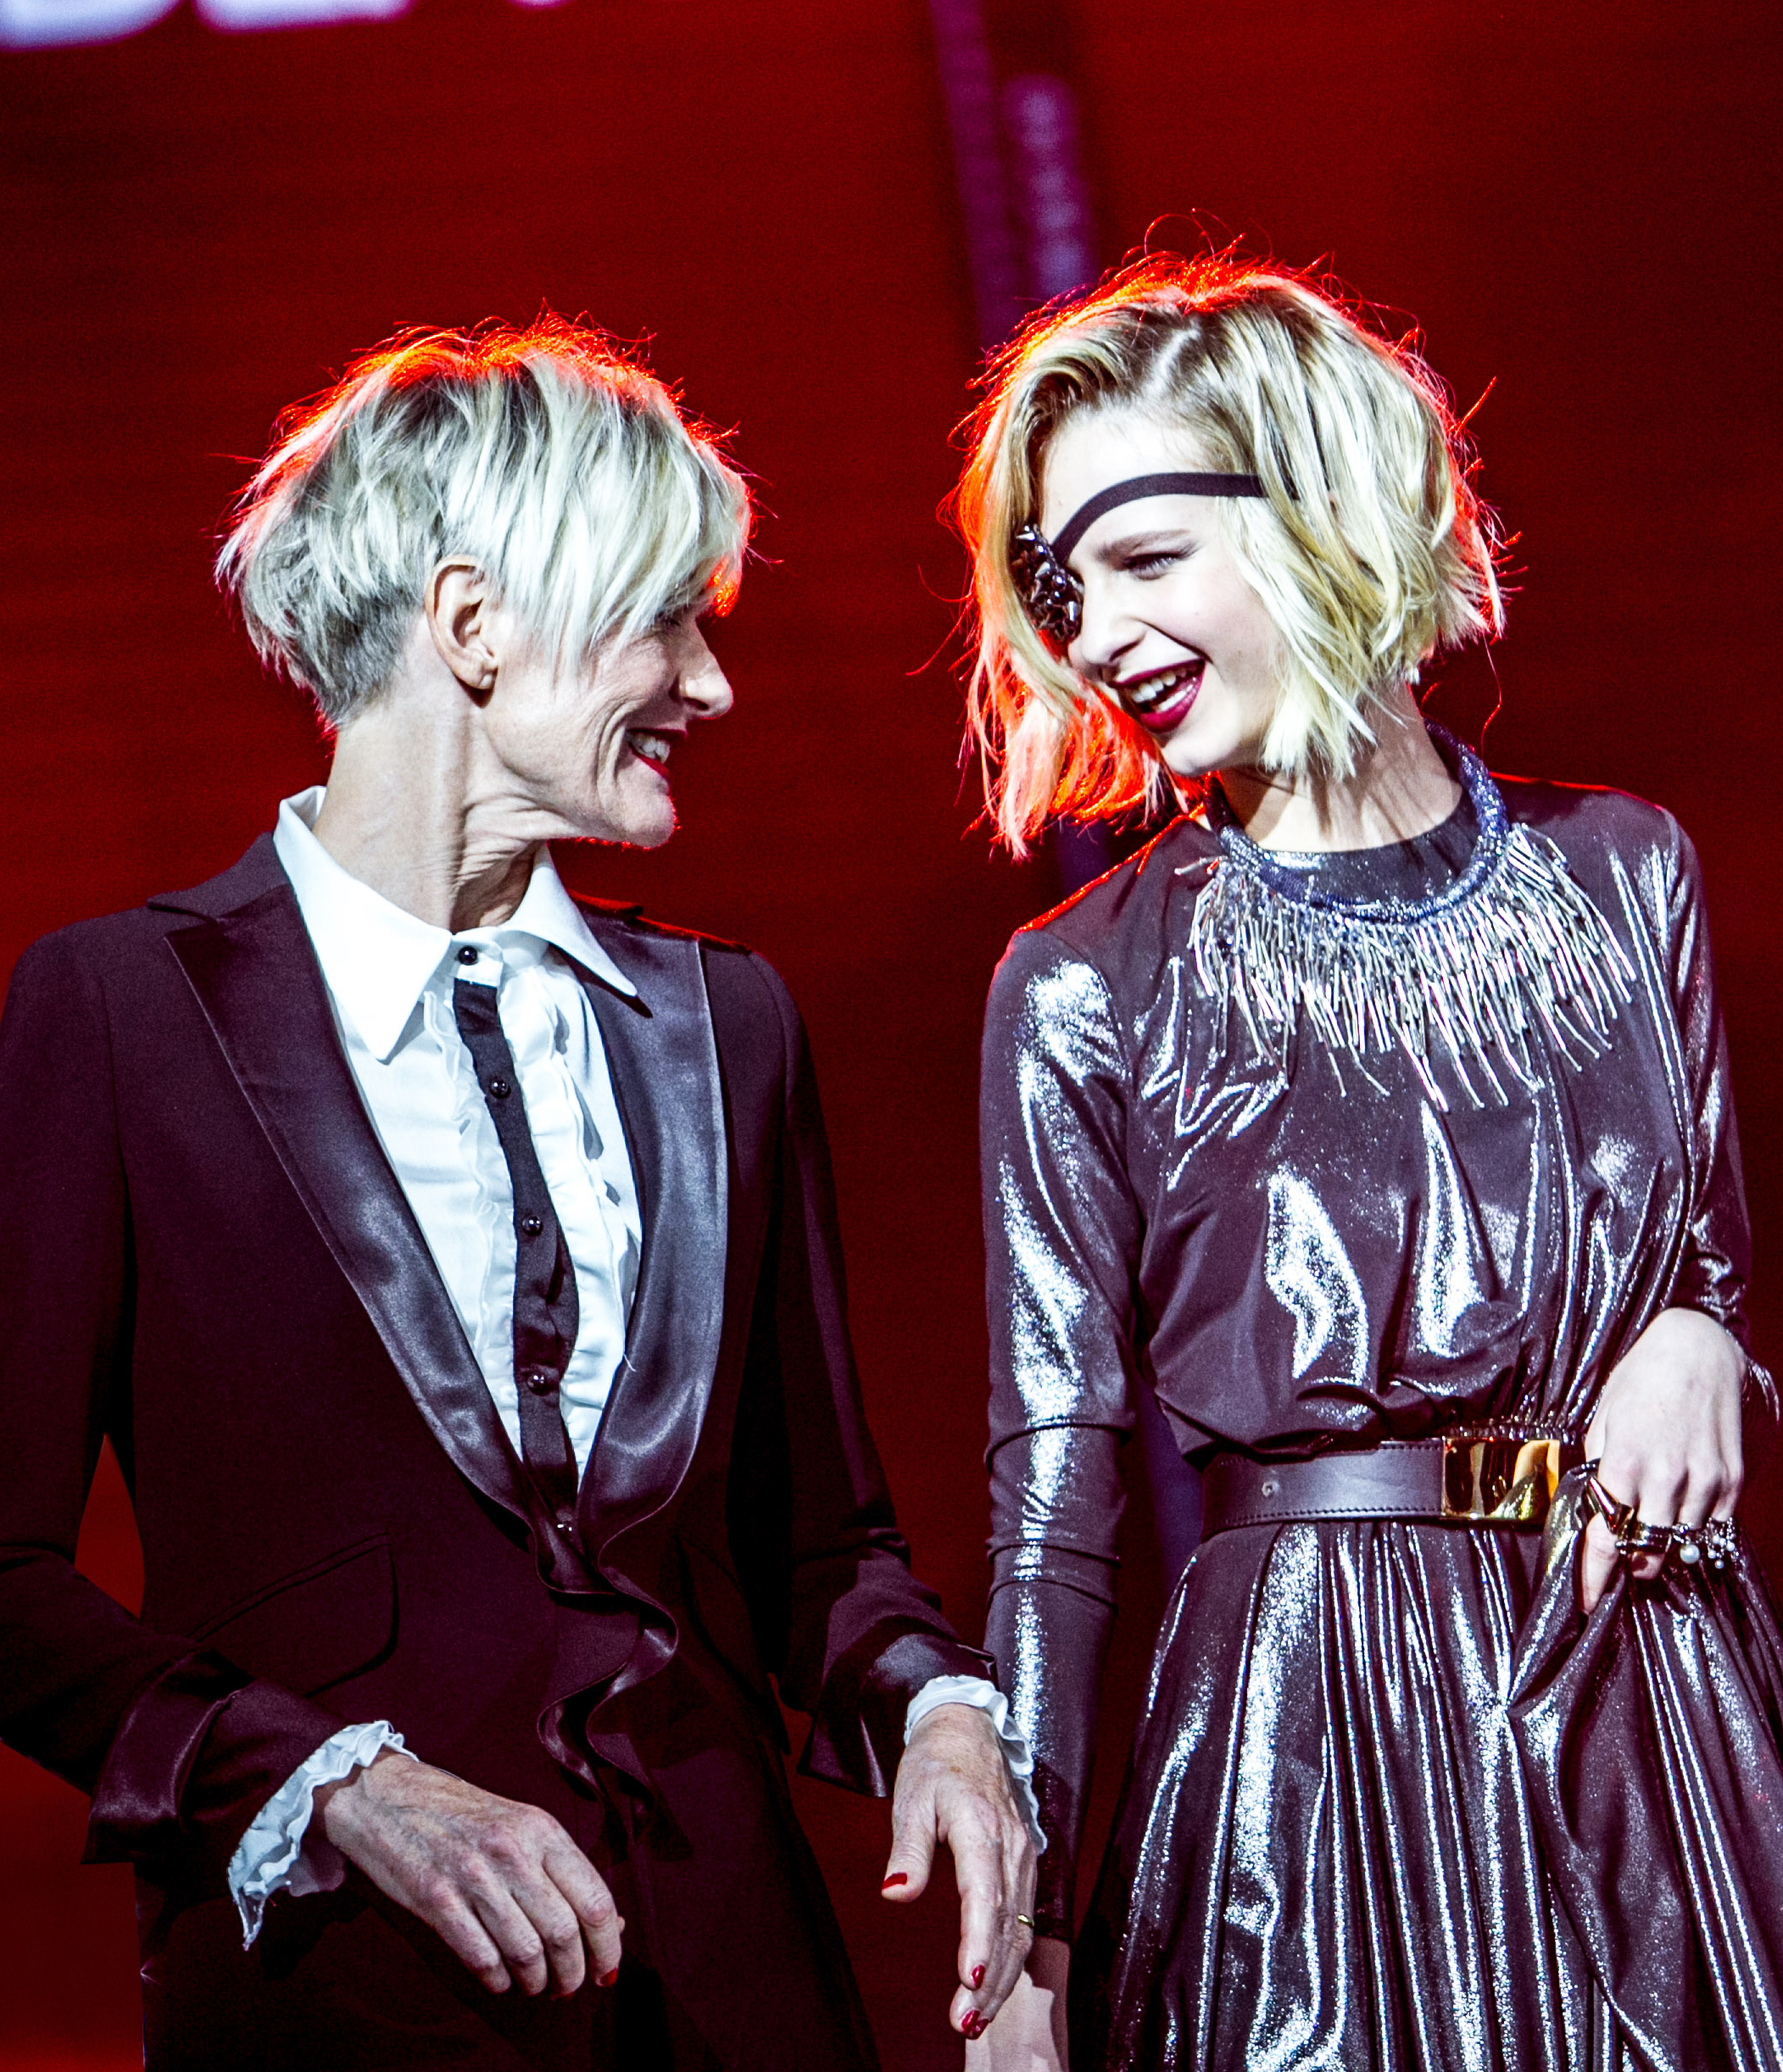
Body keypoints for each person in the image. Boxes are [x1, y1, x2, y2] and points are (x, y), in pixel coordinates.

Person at [0, 320, 1039, 2069]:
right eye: (665, 622)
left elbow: (822, 1546)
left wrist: (935, 1705)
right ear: (472, 625)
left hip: (739, 1995)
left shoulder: (729, 1023)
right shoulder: (117, 1012)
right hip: (351, 1999)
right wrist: (330, 1784)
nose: (710, 686)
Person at [955, 255, 1783, 2070]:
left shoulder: (1624, 869)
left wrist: (1702, 1336)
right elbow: (1054, 1488)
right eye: (1063, 590)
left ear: (1320, 507)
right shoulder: (1085, 983)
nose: (1095, 636)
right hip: (1314, 1755)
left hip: (1645, 1698)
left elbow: (1710, 1266)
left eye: (1144, 558)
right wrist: (1021, 1943)